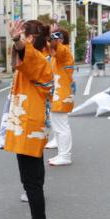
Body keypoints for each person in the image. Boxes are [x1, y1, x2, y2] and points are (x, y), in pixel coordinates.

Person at [4, 19, 55, 219]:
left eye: (23, 34)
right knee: (34, 181)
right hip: (29, 124)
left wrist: (17, 40)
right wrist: (17, 42)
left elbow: (25, 54)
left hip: (29, 126)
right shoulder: (37, 58)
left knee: (31, 182)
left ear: (30, 39)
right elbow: (20, 59)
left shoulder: (37, 58)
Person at [47, 23, 75, 166]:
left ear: (61, 40)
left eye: (56, 37)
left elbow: (54, 47)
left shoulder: (64, 52)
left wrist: (53, 35)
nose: (51, 41)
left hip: (61, 95)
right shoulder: (58, 54)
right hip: (57, 94)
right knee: (57, 125)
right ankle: (62, 153)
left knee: (61, 126)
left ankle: (65, 155)